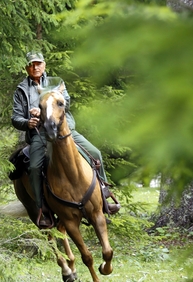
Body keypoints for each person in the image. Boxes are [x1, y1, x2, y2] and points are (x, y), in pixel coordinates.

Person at [11, 51, 120, 228]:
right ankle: (42, 208)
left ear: (44, 65)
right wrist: (27, 122)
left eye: (38, 63)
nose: (35, 67)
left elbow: (65, 102)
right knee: (34, 166)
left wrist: (46, 107)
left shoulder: (56, 82)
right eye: (31, 64)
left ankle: (104, 195)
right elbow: (16, 118)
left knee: (95, 153)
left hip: (63, 130)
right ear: (27, 68)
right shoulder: (21, 90)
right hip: (40, 133)